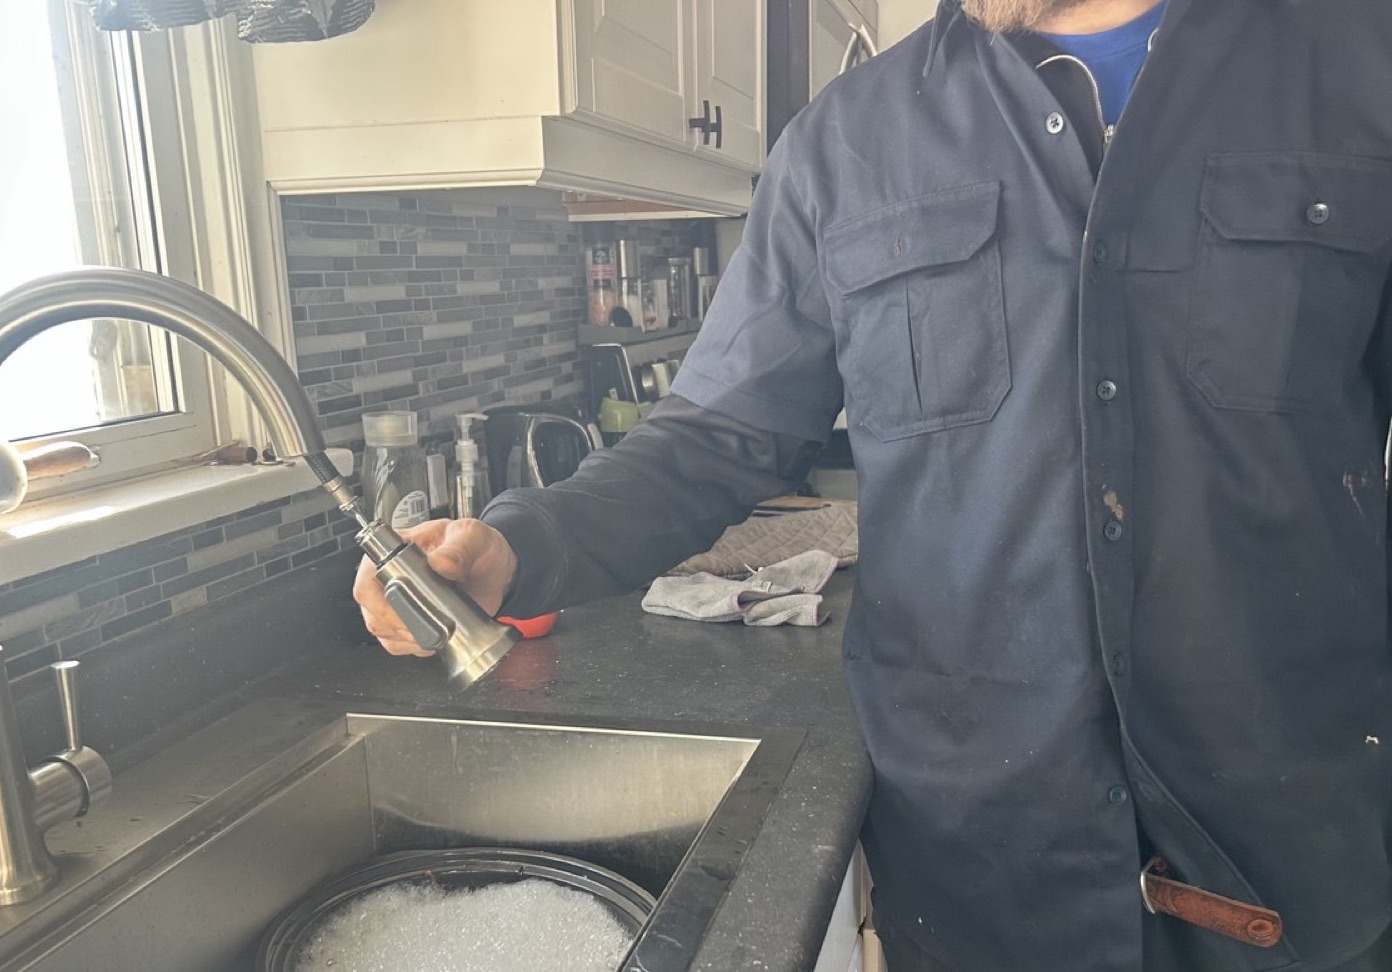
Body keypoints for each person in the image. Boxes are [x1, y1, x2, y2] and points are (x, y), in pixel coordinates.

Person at [354, 0, 1392, 968]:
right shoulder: (845, 142)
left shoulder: (1359, 62)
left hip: (1295, 836)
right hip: (981, 860)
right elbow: (716, 434)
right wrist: (517, 546)